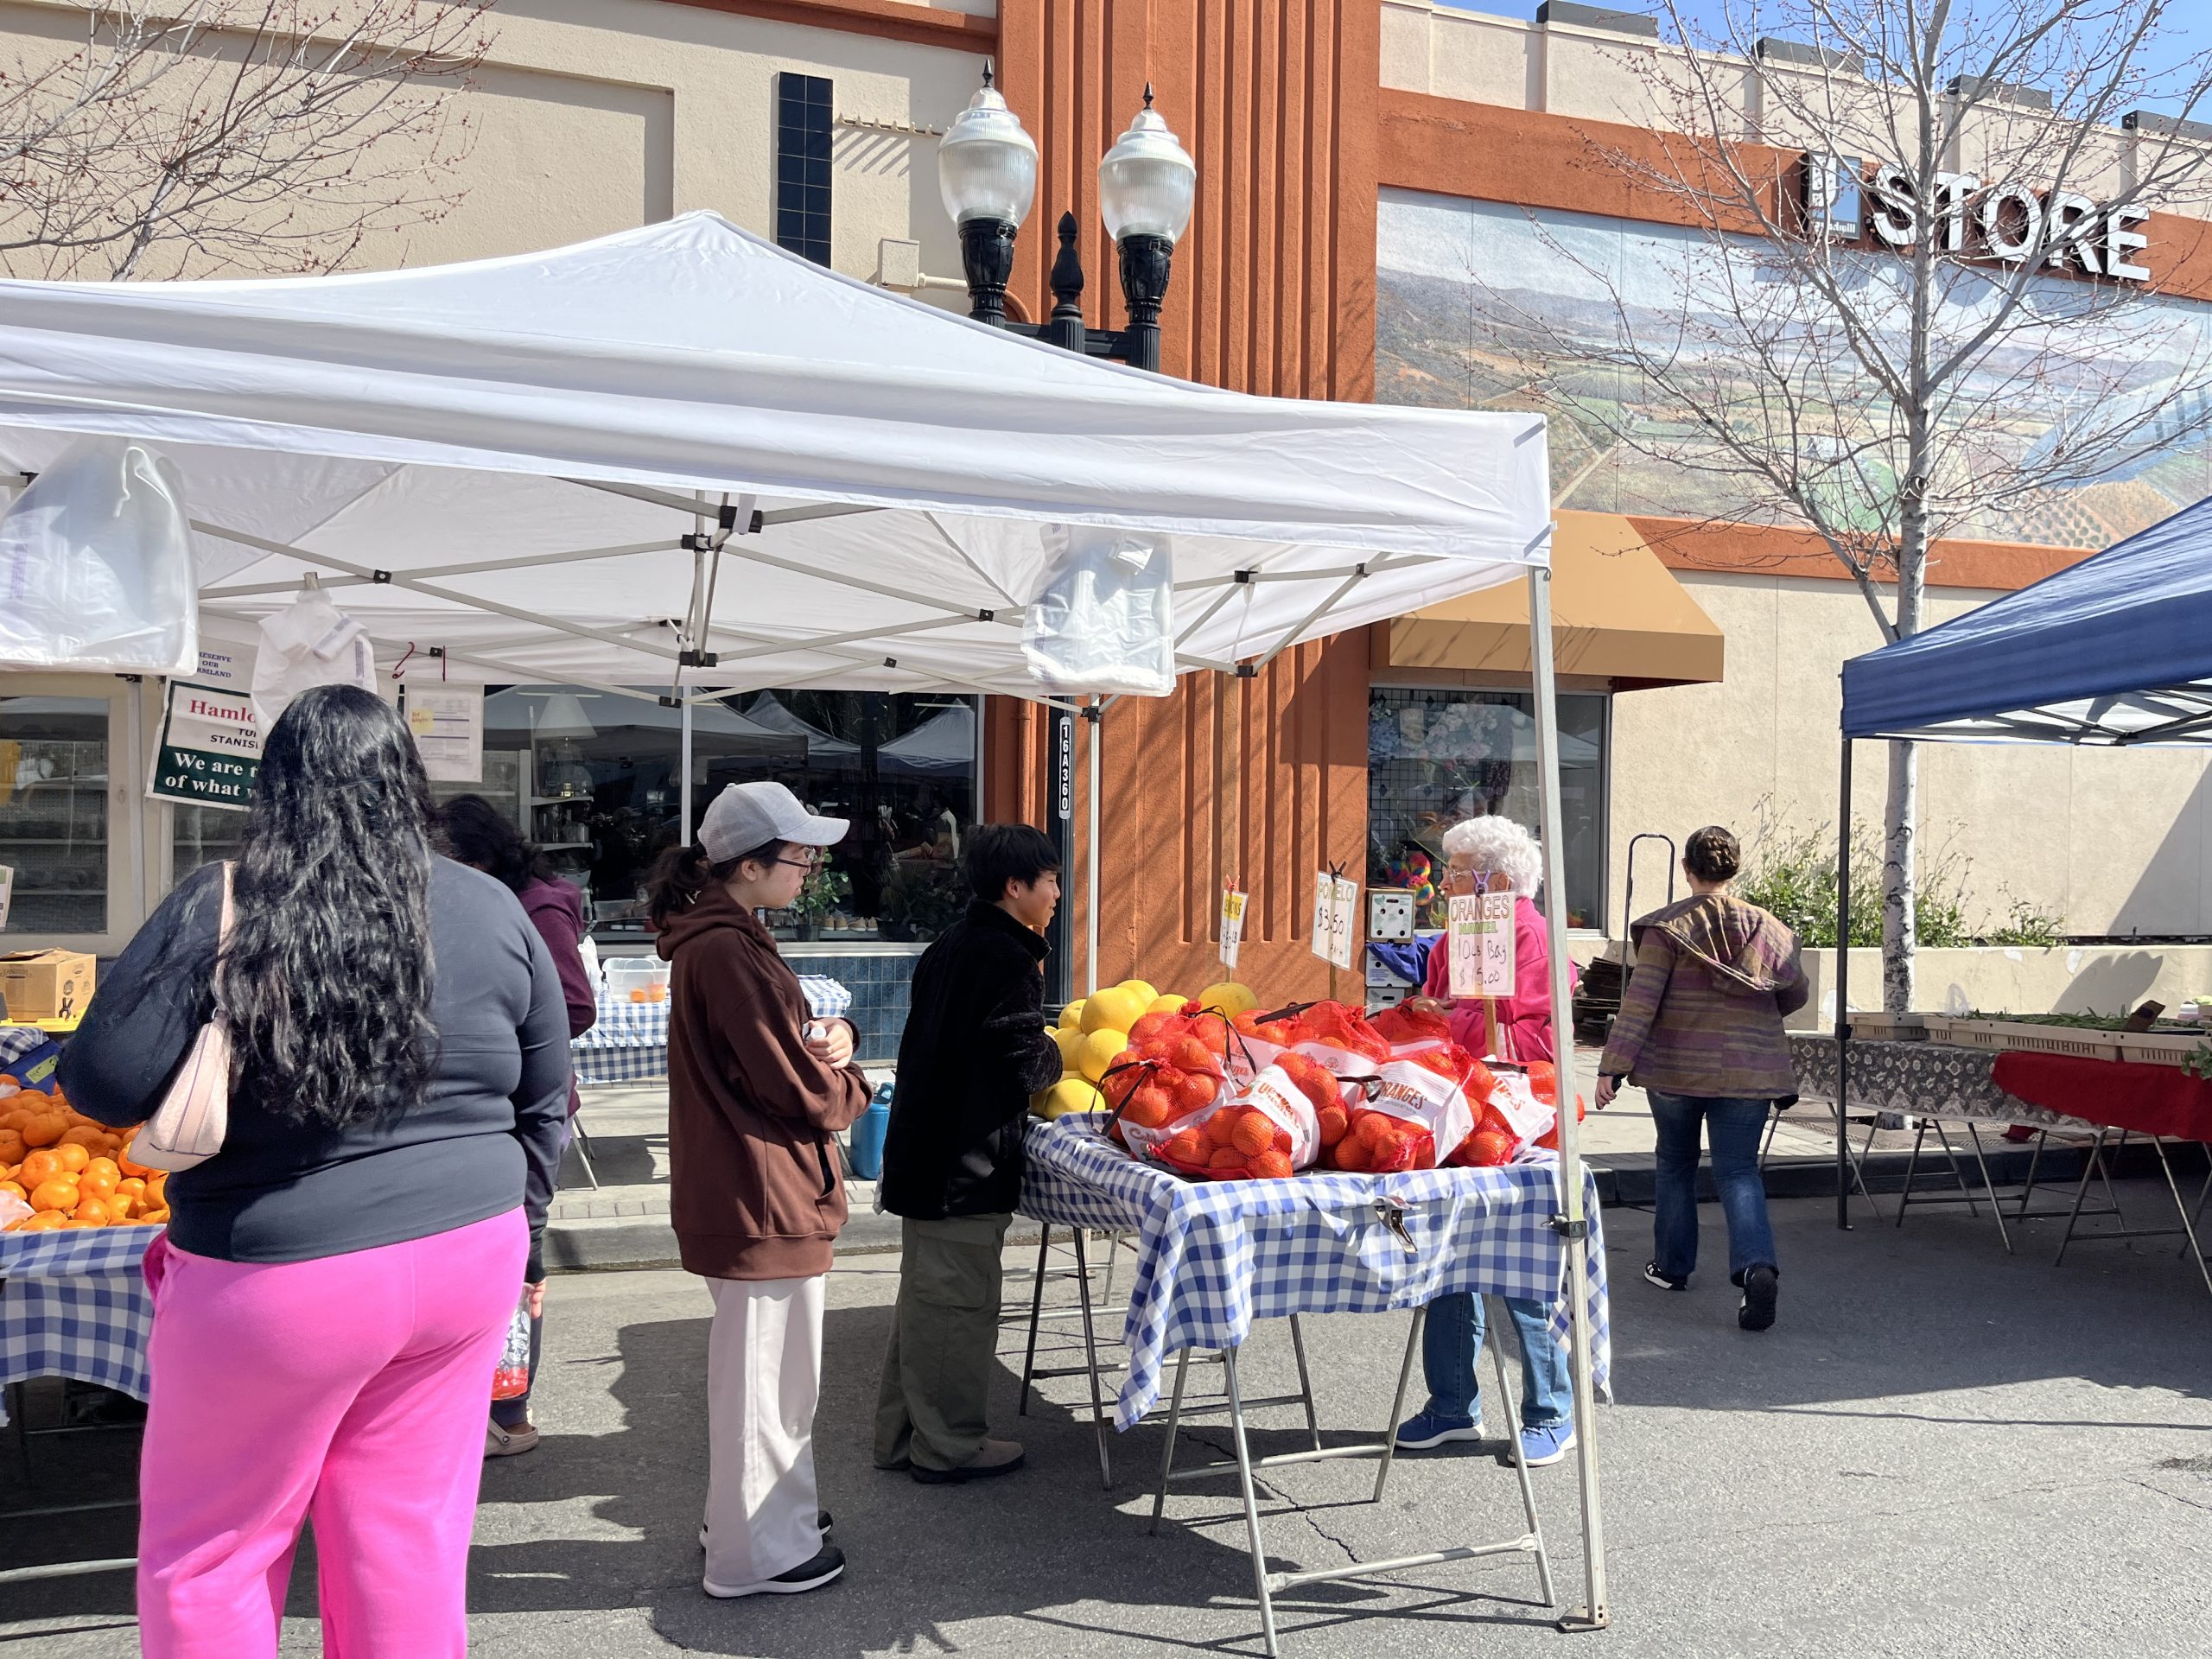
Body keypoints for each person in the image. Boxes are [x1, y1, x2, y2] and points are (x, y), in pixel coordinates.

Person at [60, 684, 571, 1659]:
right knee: (407, 1544)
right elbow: (547, 1095)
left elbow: (104, 1083)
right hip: (469, 1256)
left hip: (276, 1276)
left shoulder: (228, 900)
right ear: (406, 785)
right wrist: (522, 1236)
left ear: (276, 790)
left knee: (211, 1555)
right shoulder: (492, 907)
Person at [649, 781, 870, 1599]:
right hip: (762, 1189)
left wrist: (823, 1047)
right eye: (798, 854)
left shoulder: (721, 939)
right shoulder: (728, 948)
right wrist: (850, 1080)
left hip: (754, 1186)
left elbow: (777, 1059)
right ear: (748, 864)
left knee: (767, 1379)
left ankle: (753, 1527)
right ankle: (753, 1556)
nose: (810, 866)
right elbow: (793, 1087)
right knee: (768, 1385)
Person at [874, 823, 1065, 1484]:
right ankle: (949, 1446)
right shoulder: (1007, 956)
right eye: (1050, 881)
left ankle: (903, 1437)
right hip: (961, 1165)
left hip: (924, 1159)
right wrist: (1058, 1053)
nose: (1058, 895)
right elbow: (1022, 1059)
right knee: (959, 1309)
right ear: (1015, 887)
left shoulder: (952, 943)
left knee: (925, 1306)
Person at [1395, 815, 1579, 1465]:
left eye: (1455, 870)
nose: (1444, 882)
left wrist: (1460, 1024)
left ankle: (1550, 1411)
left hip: (1522, 1125)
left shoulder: (1534, 938)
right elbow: (1433, 1010)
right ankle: (1451, 1405)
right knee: (1448, 1263)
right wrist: (1425, 1015)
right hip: (1456, 1119)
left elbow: (1539, 1044)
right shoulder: (1454, 938)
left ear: (1496, 879)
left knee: (1525, 1271)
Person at [435, 794, 599, 1458]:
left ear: (481, 860)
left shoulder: (536, 908)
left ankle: (512, 1410)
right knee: (489, 1261)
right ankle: (482, 1403)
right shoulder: (499, 904)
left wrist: (494, 1033)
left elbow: (575, 1007)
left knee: (520, 1260)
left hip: (525, 1108)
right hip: (490, 1111)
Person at [1596, 824, 1808, 1332]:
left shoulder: (1668, 930)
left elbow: (1640, 1001)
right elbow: (1794, 992)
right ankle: (1756, 1267)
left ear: (1685, 870)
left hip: (1675, 1068)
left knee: (1675, 1165)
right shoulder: (1770, 930)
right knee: (1738, 1172)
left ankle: (1672, 1268)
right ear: (1734, 870)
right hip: (1749, 1070)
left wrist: (1613, 1066)